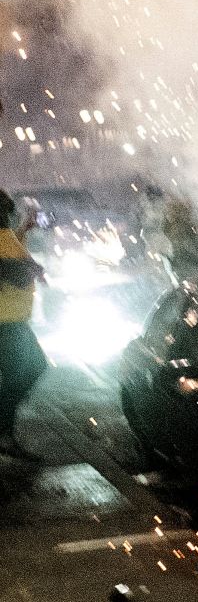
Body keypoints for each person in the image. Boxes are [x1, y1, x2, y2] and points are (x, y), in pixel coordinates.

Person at [0, 188, 48, 461]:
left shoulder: (6, 237)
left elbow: (11, 255)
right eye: (8, 211)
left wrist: (23, 231)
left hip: (12, 321)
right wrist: (30, 269)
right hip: (6, 324)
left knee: (22, 373)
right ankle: (3, 431)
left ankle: (5, 432)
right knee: (30, 369)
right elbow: (12, 271)